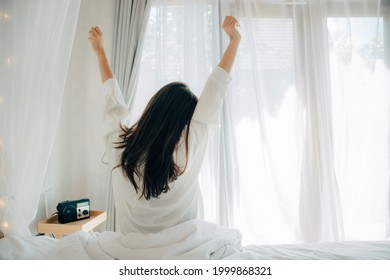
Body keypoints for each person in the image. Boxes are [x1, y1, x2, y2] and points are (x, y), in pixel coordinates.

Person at [88, 16, 241, 234]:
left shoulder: (120, 148)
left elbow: (113, 104)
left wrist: (100, 53)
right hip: (186, 251)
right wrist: (234, 42)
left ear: (153, 108)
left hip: (132, 253)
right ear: (185, 122)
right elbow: (215, 89)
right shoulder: (189, 145)